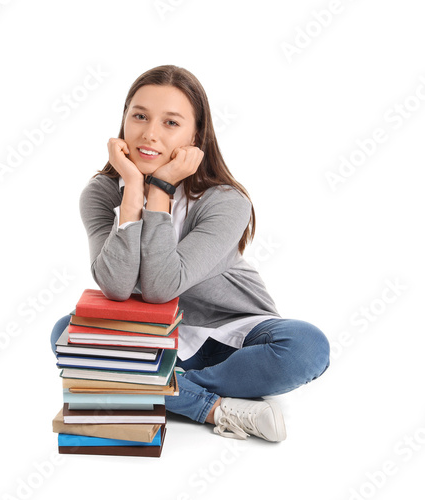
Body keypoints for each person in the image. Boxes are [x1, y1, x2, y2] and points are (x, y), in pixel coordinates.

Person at [50, 64, 330, 442]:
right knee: (66, 334)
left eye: (170, 123)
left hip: (233, 335)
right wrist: (134, 188)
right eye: (140, 116)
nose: (149, 134)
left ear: (195, 136)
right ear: (123, 123)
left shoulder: (226, 202)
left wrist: (161, 187)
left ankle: (143, 389)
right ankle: (216, 408)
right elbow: (116, 287)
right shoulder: (101, 194)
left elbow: (161, 286)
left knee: (306, 346)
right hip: (153, 340)